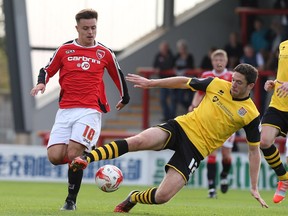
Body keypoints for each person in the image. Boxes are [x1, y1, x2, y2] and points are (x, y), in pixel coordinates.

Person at [71, 63, 268, 212]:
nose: (233, 84)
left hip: (196, 150)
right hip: (181, 127)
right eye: (233, 79)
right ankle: (86, 158)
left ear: (250, 86)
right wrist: (152, 83)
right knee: (138, 141)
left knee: (162, 197)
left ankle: (133, 198)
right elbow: (184, 82)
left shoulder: (251, 114)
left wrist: (254, 186)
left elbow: (254, 151)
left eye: (239, 82)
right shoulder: (217, 84)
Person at [30, 9, 130, 211]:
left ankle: (70, 200)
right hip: (65, 110)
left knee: (74, 154)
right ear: (77, 28)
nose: (90, 32)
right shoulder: (64, 50)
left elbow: (117, 74)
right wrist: (42, 83)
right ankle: (85, 158)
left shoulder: (104, 52)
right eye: (85, 28)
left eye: (93, 28)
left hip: (90, 110)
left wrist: (124, 97)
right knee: (56, 156)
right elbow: (46, 69)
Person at [188, 49, 235, 198]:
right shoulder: (206, 76)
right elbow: (200, 92)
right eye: (216, 60)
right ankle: (211, 189)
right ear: (212, 61)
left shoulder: (232, 77)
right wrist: (193, 105)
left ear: (226, 61)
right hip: (210, 121)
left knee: (226, 156)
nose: (219, 62)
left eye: (221, 59)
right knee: (212, 154)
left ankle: (224, 175)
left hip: (227, 122)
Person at [260, 39, 288, 204]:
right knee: (264, 141)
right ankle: (283, 178)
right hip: (278, 103)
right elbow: (282, 74)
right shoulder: (283, 45)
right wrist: (274, 83)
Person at [153, 41, 176, 121]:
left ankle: (172, 117)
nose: (163, 49)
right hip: (162, 81)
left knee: (173, 98)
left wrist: (161, 68)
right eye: (162, 48)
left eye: (165, 48)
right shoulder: (158, 55)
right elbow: (155, 65)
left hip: (171, 80)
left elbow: (169, 66)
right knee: (162, 99)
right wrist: (160, 68)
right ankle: (167, 116)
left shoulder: (171, 56)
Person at [174, 39, 195, 112]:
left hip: (189, 80)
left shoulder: (190, 56)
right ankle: (189, 110)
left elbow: (191, 67)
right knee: (180, 98)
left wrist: (182, 69)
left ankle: (191, 112)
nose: (181, 49)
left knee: (190, 98)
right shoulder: (177, 56)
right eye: (179, 48)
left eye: (182, 48)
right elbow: (174, 66)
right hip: (181, 81)